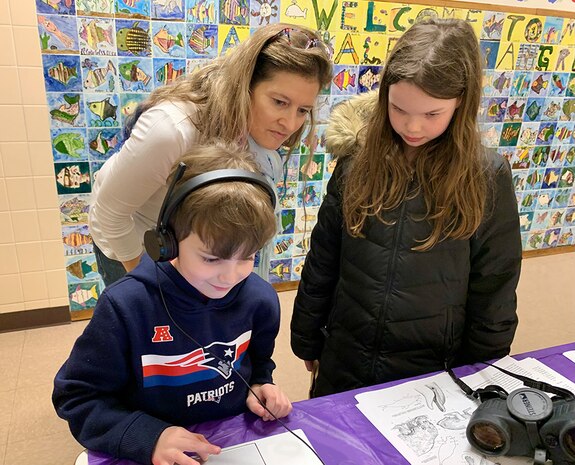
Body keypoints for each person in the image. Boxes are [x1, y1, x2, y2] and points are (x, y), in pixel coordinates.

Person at [290, 18, 522, 397]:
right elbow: (324, 256)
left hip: (431, 376)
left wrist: (481, 371)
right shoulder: (356, 160)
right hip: (344, 360)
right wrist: (307, 337)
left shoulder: (487, 175)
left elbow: (494, 288)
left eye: (432, 114)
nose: (412, 127)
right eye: (399, 110)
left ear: (461, 104)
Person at [54, 142, 292, 465]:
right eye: (211, 258)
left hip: (229, 445)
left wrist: (260, 384)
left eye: (248, 256)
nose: (230, 275)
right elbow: (77, 396)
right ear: (168, 241)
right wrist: (148, 436)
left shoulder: (260, 300)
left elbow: (258, 361)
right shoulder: (125, 308)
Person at [89, 24, 333, 285]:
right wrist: (146, 288)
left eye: (303, 110)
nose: (290, 124)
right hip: (133, 241)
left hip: (194, 247)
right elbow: (110, 216)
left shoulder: (260, 131)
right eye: (280, 102)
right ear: (244, 85)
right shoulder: (172, 130)